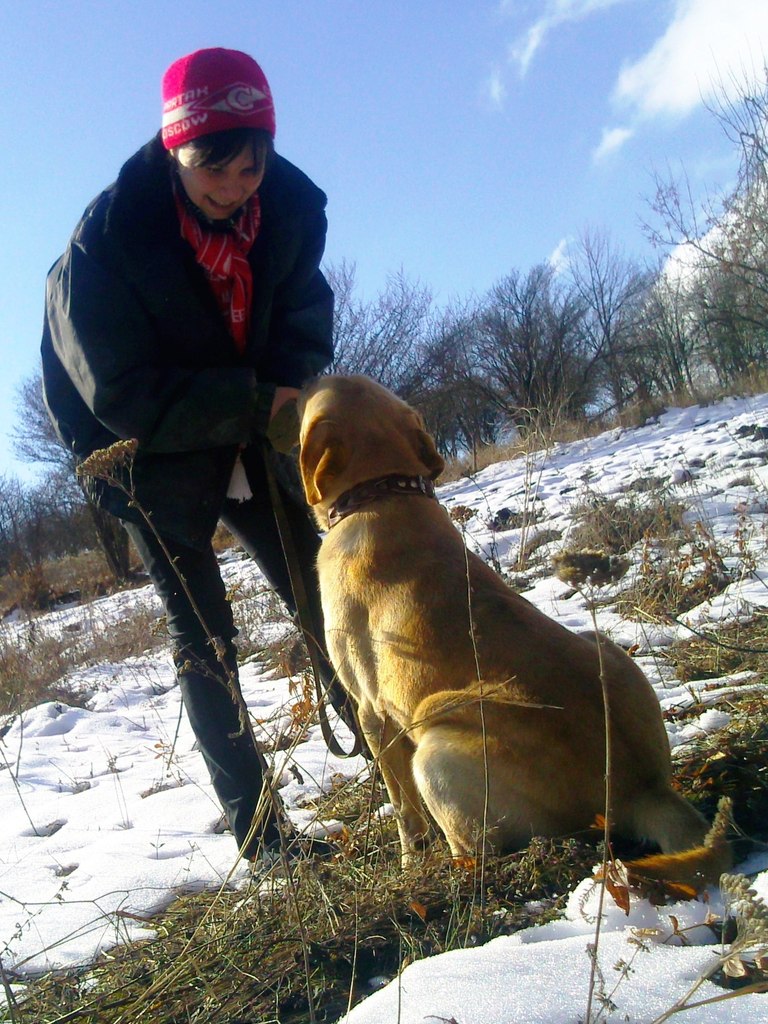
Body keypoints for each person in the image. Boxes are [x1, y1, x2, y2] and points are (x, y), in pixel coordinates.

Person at [41, 47, 343, 862]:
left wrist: (283, 385)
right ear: (175, 146)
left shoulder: (286, 206)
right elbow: (122, 393)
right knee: (205, 641)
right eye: (214, 168)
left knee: (320, 588)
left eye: (251, 168)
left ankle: (392, 749)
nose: (235, 186)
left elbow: (306, 310)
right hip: (140, 453)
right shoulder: (104, 247)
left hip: (243, 423)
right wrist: (251, 400)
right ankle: (263, 835)